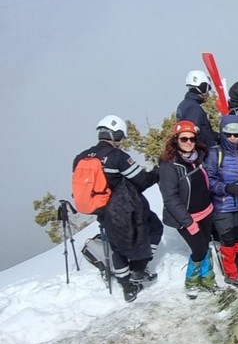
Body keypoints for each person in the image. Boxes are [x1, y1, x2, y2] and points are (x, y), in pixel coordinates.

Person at [72, 115, 163, 302]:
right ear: (117, 135)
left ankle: (127, 288)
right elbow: (142, 181)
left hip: (101, 210)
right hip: (125, 209)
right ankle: (139, 269)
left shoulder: (80, 157)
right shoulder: (117, 157)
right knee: (154, 227)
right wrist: (158, 171)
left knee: (116, 248)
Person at [159, 120, 216, 299]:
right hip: (185, 217)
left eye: (192, 138)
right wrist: (188, 222)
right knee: (198, 249)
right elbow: (170, 199)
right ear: (176, 140)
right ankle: (191, 281)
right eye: (184, 139)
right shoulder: (169, 165)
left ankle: (207, 279)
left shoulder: (198, 156)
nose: (189, 142)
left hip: (206, 211)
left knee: (205, 246)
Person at [204, 115, 238, 288]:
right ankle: (231, 273)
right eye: (229, 135)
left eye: (237, 135)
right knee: (228, 240)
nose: (233, 138)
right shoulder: (214, 153)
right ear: (222, 134)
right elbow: (209, 180)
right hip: (223, 205)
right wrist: (226, 188)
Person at [176, 70, 217, 148]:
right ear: (203, 88)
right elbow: (194, 135)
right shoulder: (194, 109)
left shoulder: (185, 105)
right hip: (202, 154)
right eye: (208, 88)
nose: (208, 92)